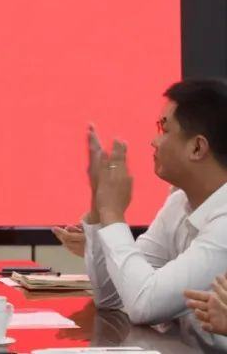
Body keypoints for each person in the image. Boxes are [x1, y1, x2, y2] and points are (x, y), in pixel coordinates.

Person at [79, 78, 227, 338]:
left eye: (164, 129)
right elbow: (112, 296)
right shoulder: (179, 203)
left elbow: (144, 304)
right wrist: (99, 202)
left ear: (197, 147)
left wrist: (112, 214)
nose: (154, 142)